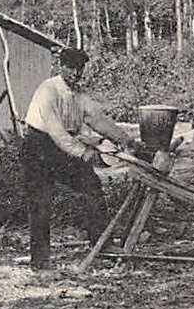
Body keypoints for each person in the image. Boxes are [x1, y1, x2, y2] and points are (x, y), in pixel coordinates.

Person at [19, 47, 135, 270]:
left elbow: (98, 121)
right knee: (40, 204)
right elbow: (56, 131)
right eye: (71, 68)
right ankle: (40, 262)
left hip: (62, 147)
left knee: (92, 187)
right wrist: (84, 152)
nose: (76, 73)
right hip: (38, 147)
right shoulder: (48, 90)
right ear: (61, 67)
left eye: (79, 68)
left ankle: (100, 245)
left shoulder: (79, 95)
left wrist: (126, 140)